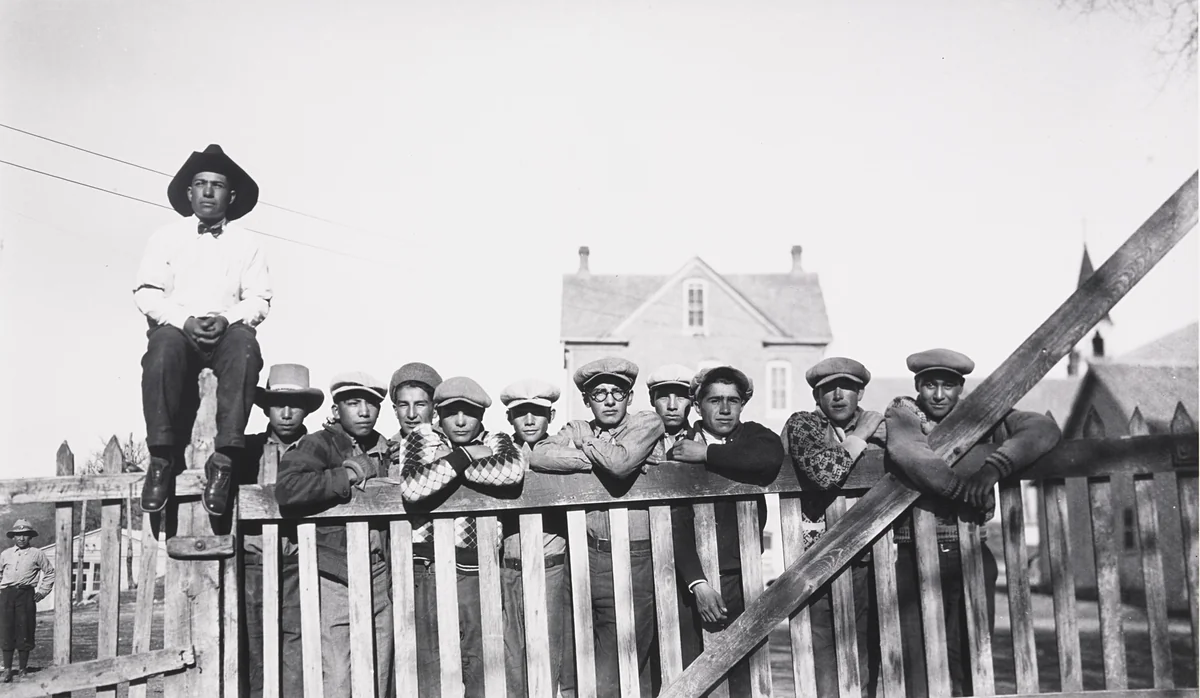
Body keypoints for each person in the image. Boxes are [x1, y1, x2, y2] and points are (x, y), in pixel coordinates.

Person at [886, 349, 1061, 697]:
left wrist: (992, 469)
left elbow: (1043, 428)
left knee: (970, 653)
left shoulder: (982, 416)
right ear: (918, 386)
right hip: (914, 553)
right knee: (918, 659)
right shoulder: (903, 413)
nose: (939, 395)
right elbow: (911, 454)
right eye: (930, 385)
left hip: (970, 551)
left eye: (948, 386)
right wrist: (963, 491)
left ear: (961, 388)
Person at [135, 144, 270, 517]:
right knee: (161, 350)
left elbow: (259, 298)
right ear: (189, 192)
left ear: (231, 196)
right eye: (200, 184)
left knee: (246, 350)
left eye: (218, 185)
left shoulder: (247, 243)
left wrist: (227, 319)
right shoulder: (165, 237)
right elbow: (147, 293)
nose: (208, 192)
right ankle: (162, 458)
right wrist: (184, 321)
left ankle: (224, 460)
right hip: (179, 328)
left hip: (227, 329)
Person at [532, 357, 665, 696]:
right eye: (598, 393)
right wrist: (597, 460)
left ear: (629, 397)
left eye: (617, 392)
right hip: (584, 555)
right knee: (574, 663)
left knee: (621, 667)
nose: (608, 400)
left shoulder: (647, 422)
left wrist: (588, 445)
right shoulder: (578, 426)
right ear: (587, 400)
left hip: (634, 557)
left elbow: (619, 464)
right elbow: (539, 454)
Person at [398, 376, 526, 697]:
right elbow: (413, 487)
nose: (459, 421)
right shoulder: (421, 438)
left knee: (480, 664)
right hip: (428, 568)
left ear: (481, 415)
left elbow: (511, 472)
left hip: (478, 568)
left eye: (468, 412)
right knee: (431, 666)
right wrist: (467, 456)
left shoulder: (496, 439)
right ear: (438, 413)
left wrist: (447, 464)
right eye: (450, 412)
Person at [275, 372, 394, 698]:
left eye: (371, 404)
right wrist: (348, 473)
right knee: (338, 675)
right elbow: (288, 488)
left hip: (379, 571)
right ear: (336, 409)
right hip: (334, 573)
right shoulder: (319, 443)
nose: (364, 411)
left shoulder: (384, 447)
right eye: (353, 403)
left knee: (378, 670)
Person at [669, 366, 783, 695]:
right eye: (714, 400)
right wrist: (697, 583)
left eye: (733, 400)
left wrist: (707, 454)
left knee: (743, 667)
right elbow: (675, 524)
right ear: (697, 404)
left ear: (743, 404)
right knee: (694, 670)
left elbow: (769, 458)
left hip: (740, 572)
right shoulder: (681, 446)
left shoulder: (753, 437)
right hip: (690, 579)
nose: (724, 409)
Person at [782, 357, 884, 697]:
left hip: (869, 557)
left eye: (848, 388)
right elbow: (822, 473)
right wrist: (860, 436)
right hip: (818, 560)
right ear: (817, 395)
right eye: (829, 389)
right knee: (823, 655)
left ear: (860, 392)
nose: (839, 396)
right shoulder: (804, 424)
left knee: (866, 651)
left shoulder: (882, 427)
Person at [240, 363, 323, 698]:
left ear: (307, 409)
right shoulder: (246, 451)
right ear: (265, 408)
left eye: (295, 405)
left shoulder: (321, 449)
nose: (287, 414)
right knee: (253, 647)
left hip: (304, 566)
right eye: (278, 405)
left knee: (299, 650)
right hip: (254, 566)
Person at [498, 379, 576, 697]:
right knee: (511, 656)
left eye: (538, 413)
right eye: (521, 413)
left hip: (551, 566)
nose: (529, 421)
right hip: (509, 568)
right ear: (509, 418)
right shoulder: (499, 451)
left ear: (551, 416)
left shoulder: (562, 449)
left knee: (550, 652)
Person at [0, 519, 54, 683]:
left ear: (30, 536)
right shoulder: (5, 554)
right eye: (18, 535)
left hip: (26, 595)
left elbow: (50, 572)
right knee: (6, 630)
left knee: (25, 630)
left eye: (25, 535)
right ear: (13, 537)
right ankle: (7, 670)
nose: (21, 538)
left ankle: (23, 669)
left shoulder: (37, 554)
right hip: (7, 595)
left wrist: (42, 592)